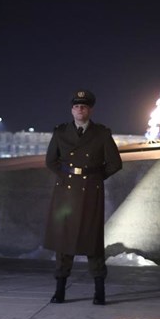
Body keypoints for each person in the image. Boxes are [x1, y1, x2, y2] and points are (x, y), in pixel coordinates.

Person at [43, 89, 123, 305]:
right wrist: (65, 176)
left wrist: (95, 177)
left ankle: (99, 291)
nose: (80, 110)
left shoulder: (101, 133)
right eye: (77, 106)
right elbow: (50, 161)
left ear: (90, 110)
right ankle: (60, 290)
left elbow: (115, 163)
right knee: (64, 241)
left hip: (90, 191)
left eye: (84, 107)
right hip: (66, 192)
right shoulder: (61, 132)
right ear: (72, 110)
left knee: (92, 240)